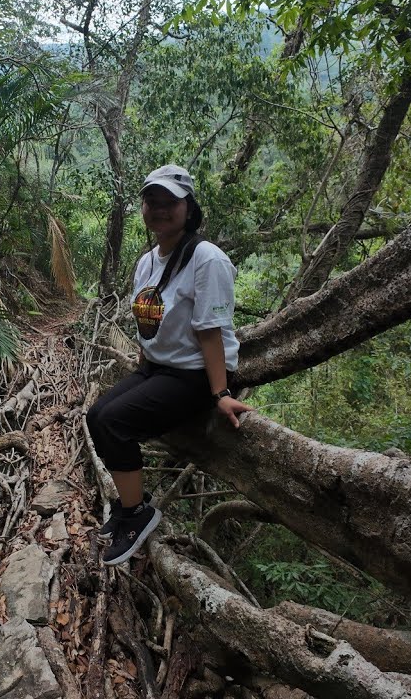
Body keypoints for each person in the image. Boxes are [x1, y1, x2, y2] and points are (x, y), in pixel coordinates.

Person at [87, 164, 253, 566]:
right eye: (152, 202)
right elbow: (151, 319)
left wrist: (221, 394)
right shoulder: (147, 262)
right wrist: (146, 359)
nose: (160, 209)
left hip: (195, 374)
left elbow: (211, 331)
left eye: (170, 203)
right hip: (158, 367)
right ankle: (131, 505)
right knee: (96, 416)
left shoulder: (206, 259)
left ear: (188, 208)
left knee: (115, 423)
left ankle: (138, 514)